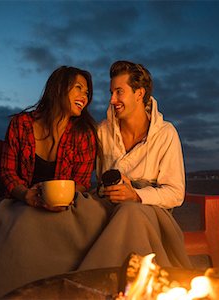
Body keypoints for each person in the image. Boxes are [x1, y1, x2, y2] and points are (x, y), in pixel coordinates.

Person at [0, 66, 110, 299]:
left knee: (90, 219)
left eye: (88, 92)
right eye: (79, 88)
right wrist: (28, 195)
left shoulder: (84, 132)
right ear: (59, 88)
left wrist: (60, 194)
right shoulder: (21, 124)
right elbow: (8, 173)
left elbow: (81, 181)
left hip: (66, 202)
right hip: (21, 201)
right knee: (20, 225)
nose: (85, 96)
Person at [77, 60, 192, 271]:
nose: (112, 100)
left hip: (149, 213)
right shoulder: (102, 131)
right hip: (106, 206)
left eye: (119, 92)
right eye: (111, 92)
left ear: (139, 93)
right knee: (71, 213)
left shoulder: (165, 134)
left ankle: (98, 280)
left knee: (130, 213)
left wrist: (137, 196)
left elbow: (176, 193)